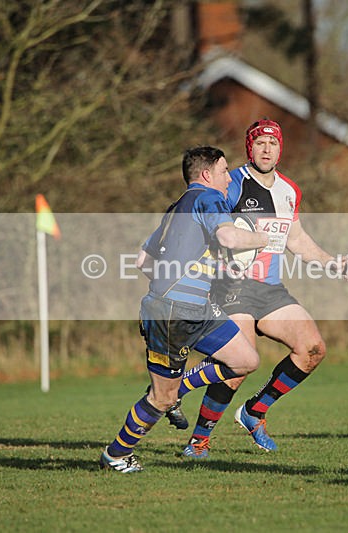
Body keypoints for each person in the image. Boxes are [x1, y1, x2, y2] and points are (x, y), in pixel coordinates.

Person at [173, 119, 348, 458]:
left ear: (280, 148)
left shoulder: (290, 191)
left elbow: (296, 240)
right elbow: (201, 217)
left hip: (271, 291)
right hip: (232, 287)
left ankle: (255, 411)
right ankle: (199, 440)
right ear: (249, 148)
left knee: (313, 349)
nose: (267, 149)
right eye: (260, 143)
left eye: (273, 143)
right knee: (238, 367)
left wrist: (331, 262)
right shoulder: (231, 183)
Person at [99, 146, 269, 473]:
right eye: (223, 171)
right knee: (161, 398)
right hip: (172, 315)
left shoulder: (176, 208)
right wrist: (261, 238)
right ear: (206, 175)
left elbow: (143, 261)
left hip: (197, 309)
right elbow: (230, 237)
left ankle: (181, 387)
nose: (228, 178)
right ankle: (115, 455)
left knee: (245, 360)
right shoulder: (209, 198)